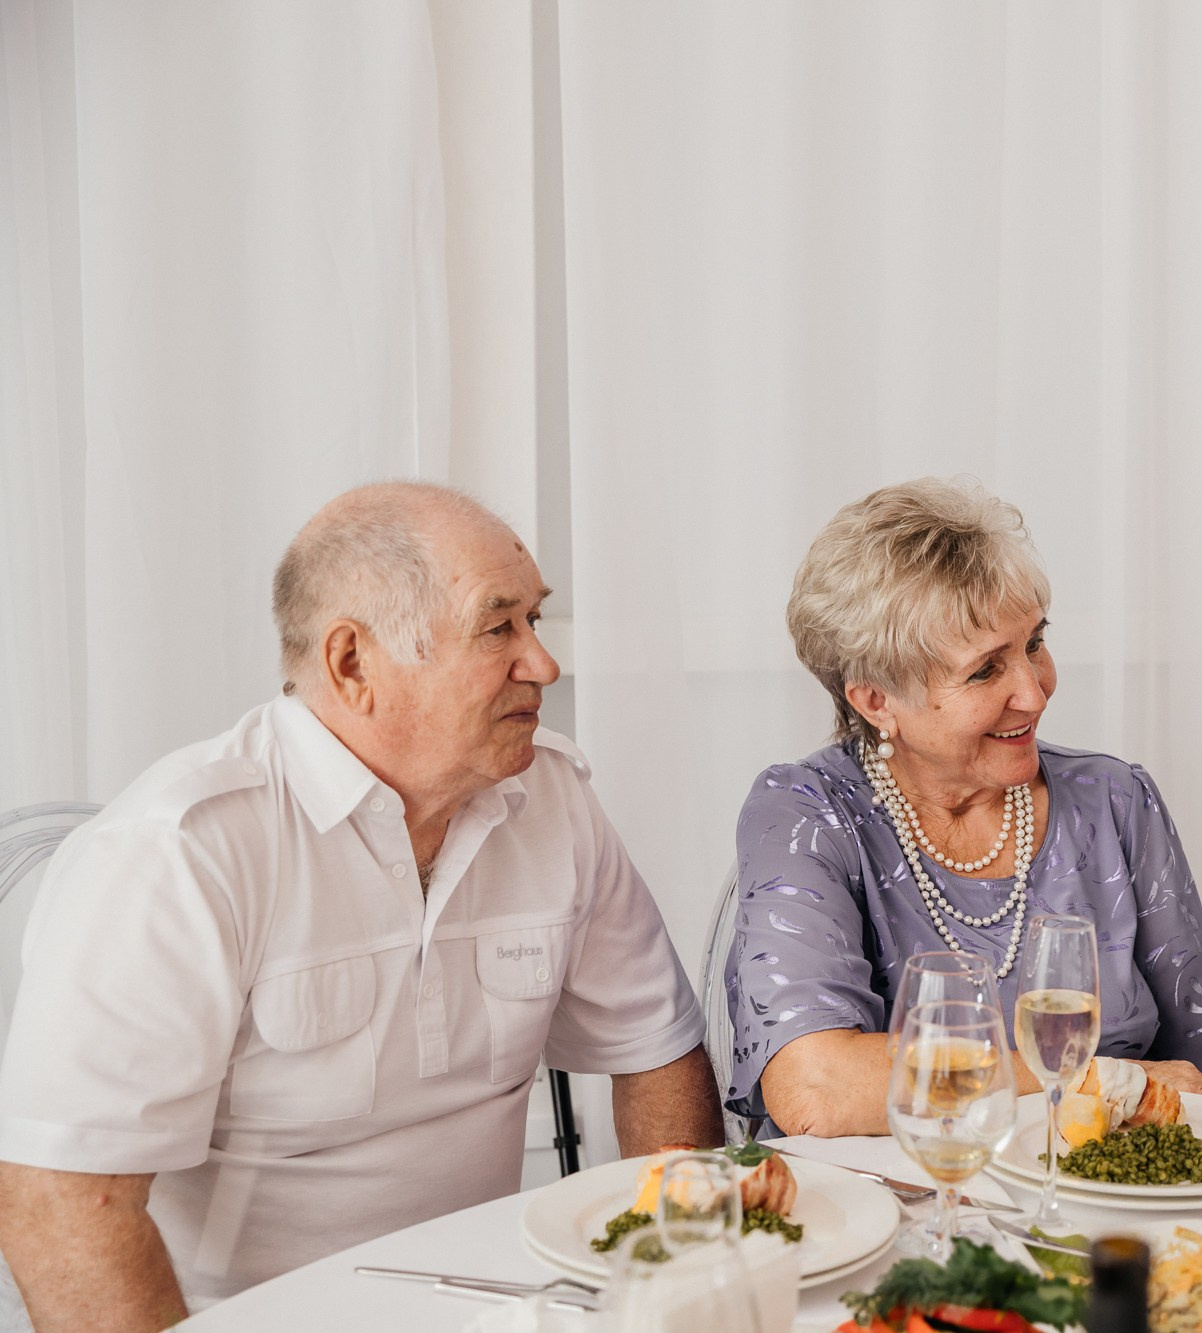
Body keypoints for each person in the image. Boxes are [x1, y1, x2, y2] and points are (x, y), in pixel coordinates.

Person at [0, 482, 723, 1325]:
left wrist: (683, 1285)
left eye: (535, 619)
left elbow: (655, 1052)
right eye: (499, 627)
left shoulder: (552, 795)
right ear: (353, 662)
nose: (544, 663)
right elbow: (60, 1204)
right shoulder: (179, 850)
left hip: (499, 1302)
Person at [727, 478, 1202, 1137]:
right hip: (890, 1218)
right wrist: (1114, 1080)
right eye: (985, 670)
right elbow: (817, 1088)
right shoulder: (808, 815)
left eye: (1034, 642)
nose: (1034, 692)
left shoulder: (1116, 802)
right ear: (875, 701)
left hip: (1102, 1210)